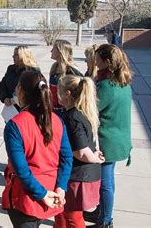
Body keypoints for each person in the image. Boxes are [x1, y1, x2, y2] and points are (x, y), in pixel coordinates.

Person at [1, 71, 73, 227]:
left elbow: (22, 170)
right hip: (51, 190)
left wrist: (42, 194)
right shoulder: (57, 120)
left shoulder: (15, 125)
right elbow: (67, 158)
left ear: (20, 90)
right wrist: (61, 187)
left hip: (27, 197)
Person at [54, 75, 105, 227]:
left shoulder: (72, 118)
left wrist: (96, 158)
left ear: (67, 94)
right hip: (84, 173)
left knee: (72, 216)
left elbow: (81, 152)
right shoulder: (84, 112)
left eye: (59, 91)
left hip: (77, 176)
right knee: (61, 213)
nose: (56, 95)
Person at [94, 44, 132, 227]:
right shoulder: (122, 82)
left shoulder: (106, 86)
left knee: (105, 183)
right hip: (119, 140)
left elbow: (91, 110)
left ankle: (105, 221)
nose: (95, 62)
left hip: (108, 142)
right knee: (108, 181)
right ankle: (102, 213)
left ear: (107, 62)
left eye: (97, 59)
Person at [0, 45, 40, 111]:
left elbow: (34, 92)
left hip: (26, 108)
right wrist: (4, 98)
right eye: (13, 54)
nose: (13, 56)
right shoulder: (11, 69)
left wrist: (18, 100)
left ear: (23, 56)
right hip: (11, 108)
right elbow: (3, 84)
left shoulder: (32, 71)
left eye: (16, 55)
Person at [49, 39, 83, 115]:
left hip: (65, 111)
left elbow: (80, 91)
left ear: (61, 51)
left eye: (53, 49)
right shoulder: (54, 67)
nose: (51, 51)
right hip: (53, 110)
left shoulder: (72, 70)